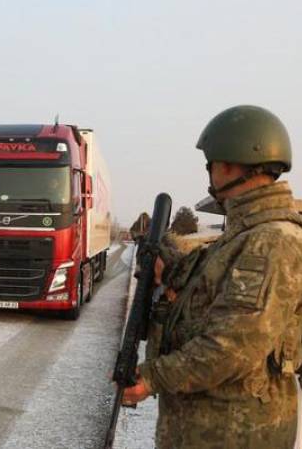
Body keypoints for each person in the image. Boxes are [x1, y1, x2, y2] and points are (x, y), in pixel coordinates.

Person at [122, 105, 302, 448]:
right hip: (209, 429)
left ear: (230, 163)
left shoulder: (271, 241)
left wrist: (150, 378)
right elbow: (206, 291)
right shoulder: (243, 236)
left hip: (233, 433)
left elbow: (233, 347)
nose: (210, 173)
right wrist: (169, 265)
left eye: (211, 163)